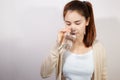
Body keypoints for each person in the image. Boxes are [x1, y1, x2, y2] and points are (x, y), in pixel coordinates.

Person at [40, 0, 108, 80]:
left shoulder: (98, 48)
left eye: (77, 23)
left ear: (87, 21)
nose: (72, 28)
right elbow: (44, 74)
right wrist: (58, 44)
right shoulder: (62, 47)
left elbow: (103, 77)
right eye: (68, 23)